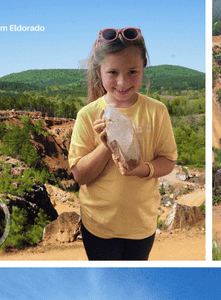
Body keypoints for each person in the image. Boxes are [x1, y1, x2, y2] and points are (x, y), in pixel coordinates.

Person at [69, 28, 177, 260]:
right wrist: (106, 146)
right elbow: (80, 176)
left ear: (143, 69)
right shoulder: (88, 115)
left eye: (132, 72)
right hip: (98, 226)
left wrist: (142, 169)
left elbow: (168, 161)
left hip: (141, 226)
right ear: (99, 72)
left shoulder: (156, 111)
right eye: (113, 72)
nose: (123, 81)